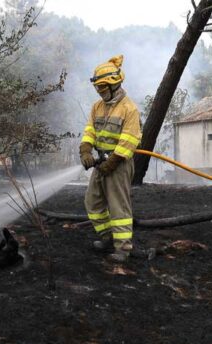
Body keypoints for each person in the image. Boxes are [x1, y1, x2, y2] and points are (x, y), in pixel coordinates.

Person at [79, 55, 142, 262]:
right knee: (92, 201)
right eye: (98, 89)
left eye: (103, 88)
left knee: (118, 206)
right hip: (101, 162)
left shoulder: (129, 109)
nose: (100, 92)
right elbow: (89, 131)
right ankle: (107, 238)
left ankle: (123, 249)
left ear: (116, 85)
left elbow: (128, 142)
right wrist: (86, 150)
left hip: (119, 164)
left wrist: (112, 163)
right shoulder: (97, 107)